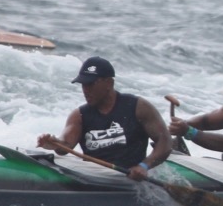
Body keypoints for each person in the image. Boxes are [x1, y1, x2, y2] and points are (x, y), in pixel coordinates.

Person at [36, 56, 172, 181]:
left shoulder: (138, 107)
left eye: (90, 84)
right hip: (95, 178)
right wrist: (55, 144)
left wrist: (144, 166)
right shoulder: (79, 115)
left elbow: (165, 141)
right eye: (83, 84)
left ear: (109, 83)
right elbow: (65, 147)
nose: (85, 90)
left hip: (130, 177)